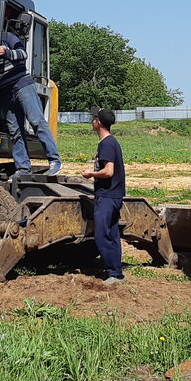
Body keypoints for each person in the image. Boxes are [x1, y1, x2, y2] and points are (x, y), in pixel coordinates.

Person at [0, 14, 61, 176]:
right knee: (15, 131)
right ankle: (23, 168)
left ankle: (54, 160)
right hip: (6, 93)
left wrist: (7, 52)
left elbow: (23, 53)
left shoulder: (7, 37)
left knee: (36, 121)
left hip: (22, 85)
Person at [81, 108, 125, 284]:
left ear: (98, 122)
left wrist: (90, 174)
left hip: (107, 196)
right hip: (114, 195)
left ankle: (114, 273)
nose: (92, 120)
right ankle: (116, 271)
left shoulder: (106, 144)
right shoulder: (112, 142)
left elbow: (108, 171)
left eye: (93, 118)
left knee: (101, 234)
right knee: (112, 233)